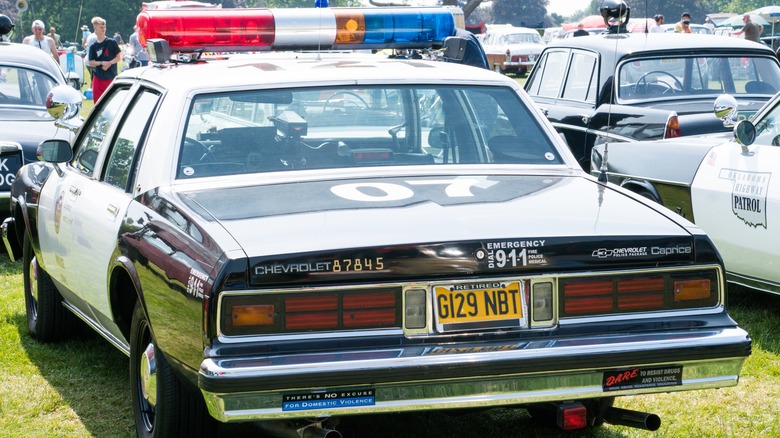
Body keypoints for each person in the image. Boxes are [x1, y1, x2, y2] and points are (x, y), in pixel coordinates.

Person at [87, 16, 122, 102]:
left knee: (111, 102)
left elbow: (119, 56)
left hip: (111, 77)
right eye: (101, 27)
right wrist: (102, 63)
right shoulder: (93, 46)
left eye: (104, 27)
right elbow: (91, 62)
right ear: (95, 28)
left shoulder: (112, 42)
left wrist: (109, 63)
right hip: (98, 78)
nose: (103, 29)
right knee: (98, 104)